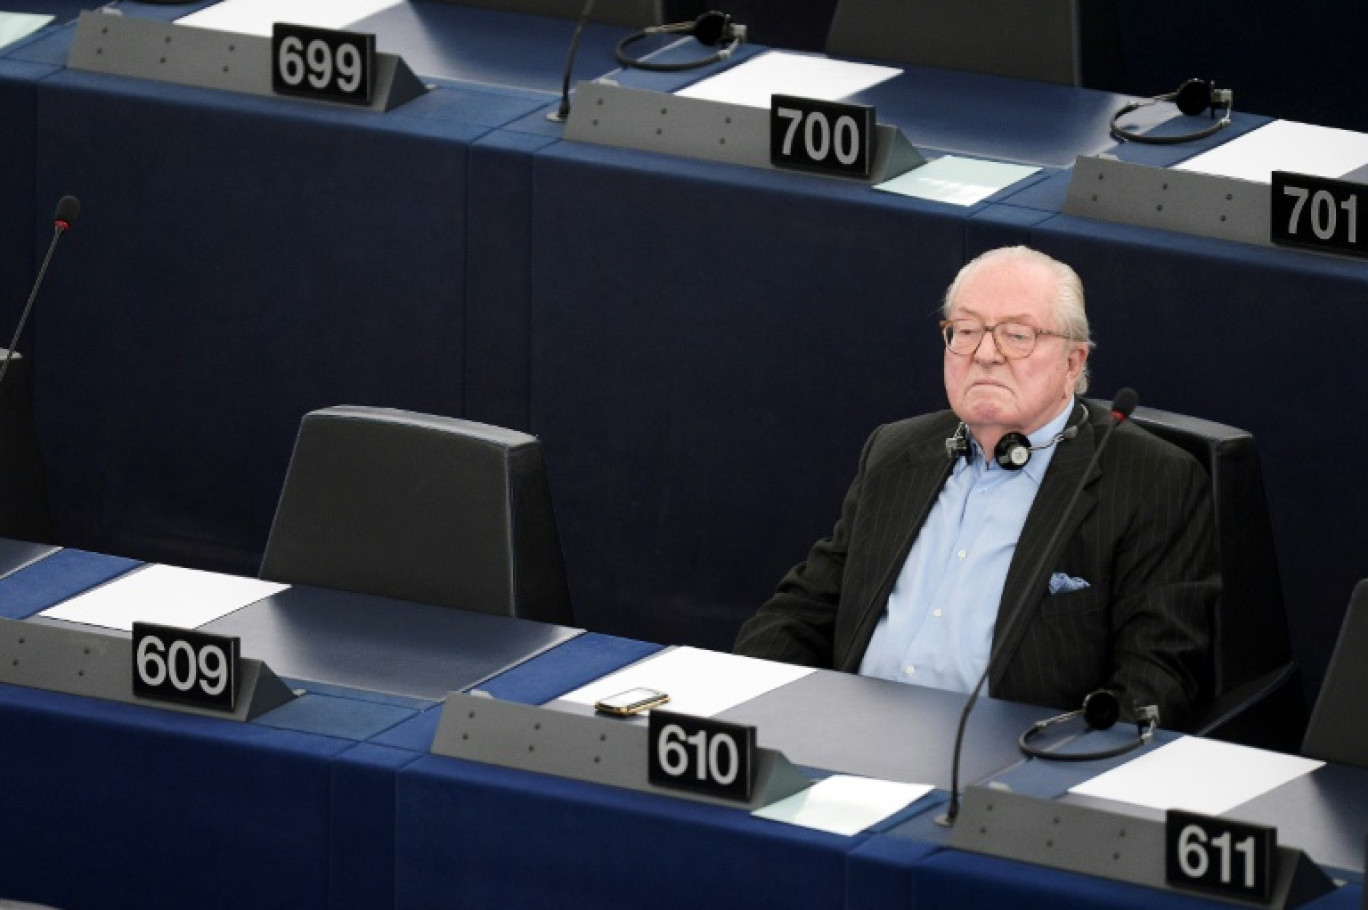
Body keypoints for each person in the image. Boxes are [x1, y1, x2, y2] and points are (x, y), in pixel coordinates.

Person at [734, 246, 1216, 727]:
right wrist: (745, 706)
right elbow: (804, 610)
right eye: (965, 331)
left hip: (1008, 766)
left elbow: (1155, 678)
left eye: (1017, 335)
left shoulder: (1151, 481)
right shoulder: (897, 451)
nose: (985, 354)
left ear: (1073, 363)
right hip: (850, 736)